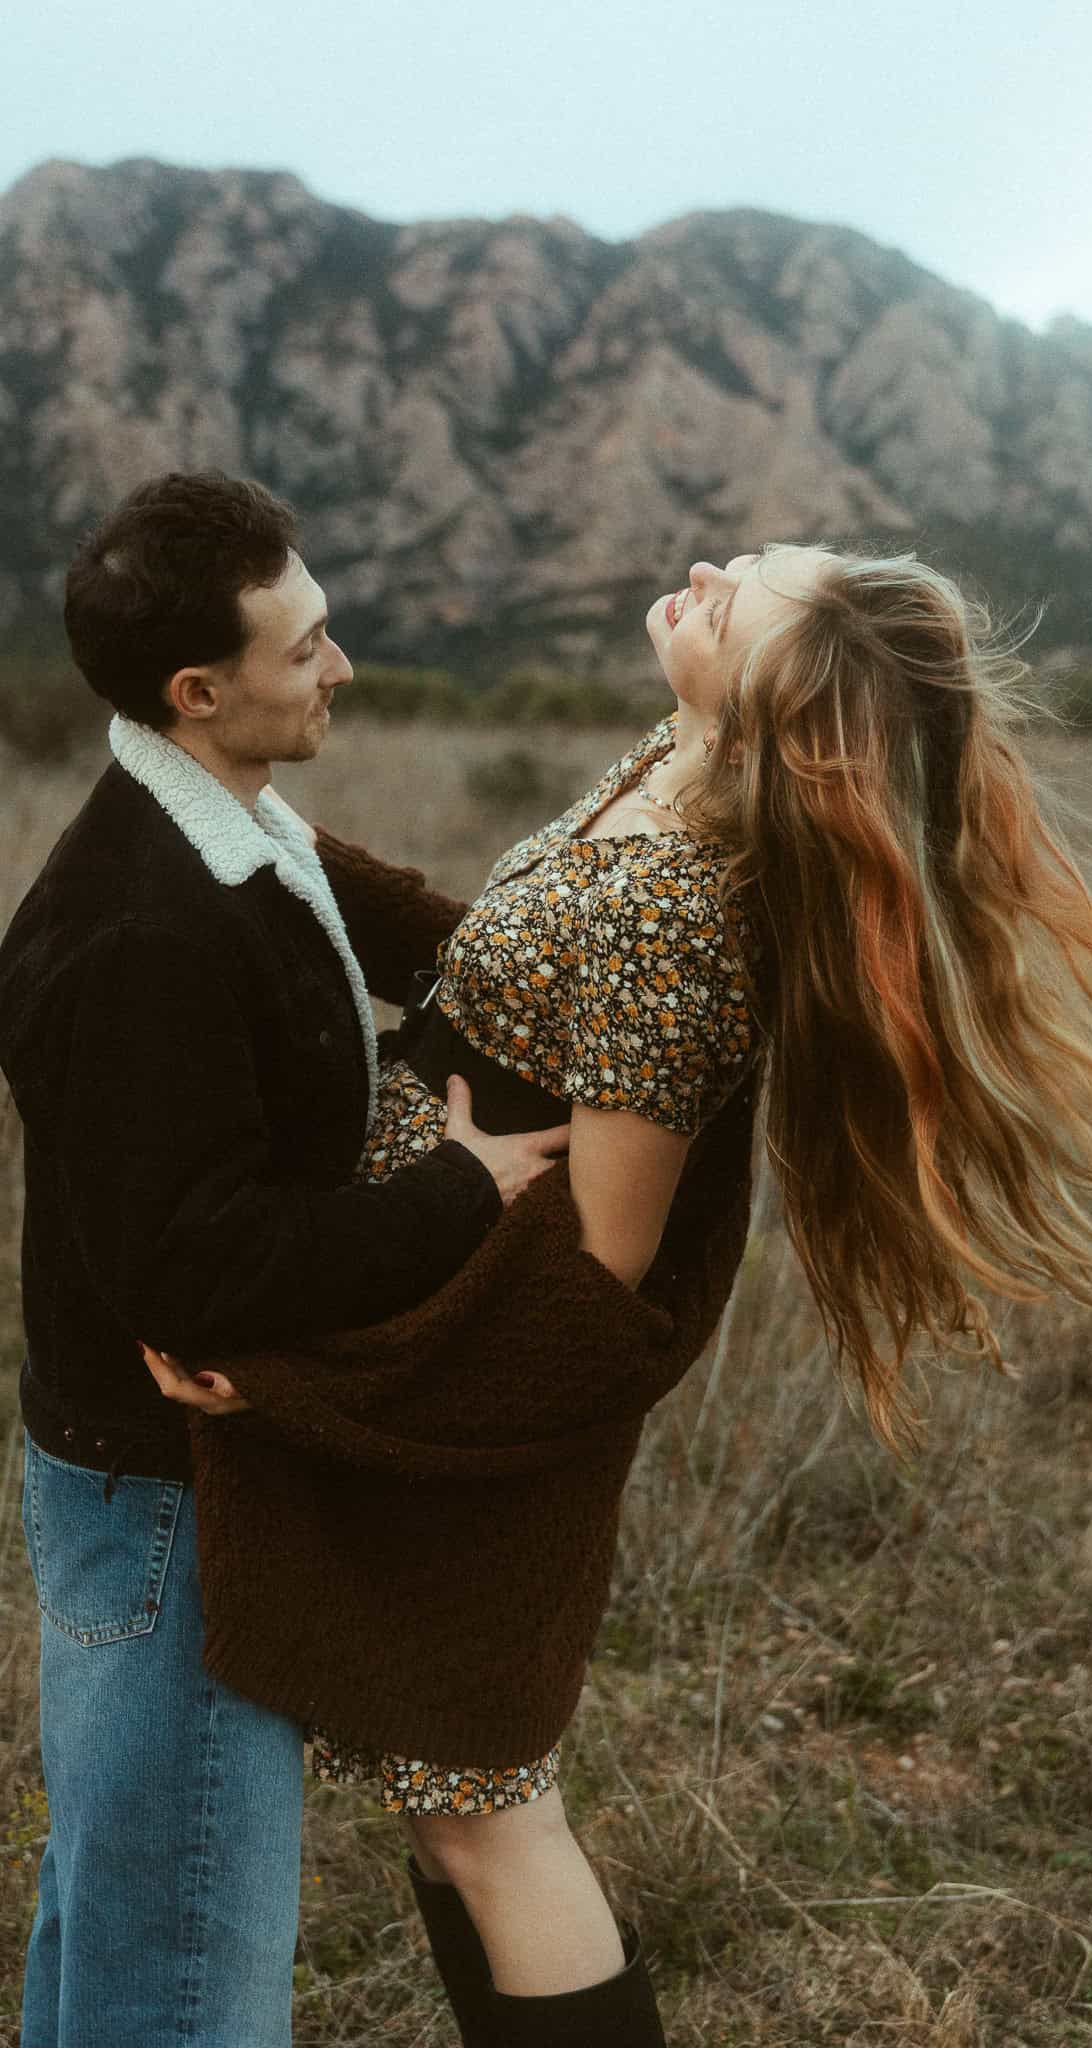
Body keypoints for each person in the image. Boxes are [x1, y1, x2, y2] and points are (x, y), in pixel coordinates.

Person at [144, 542, 1092, 2048]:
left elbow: (592, 1281)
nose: (702, 571)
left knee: (488, 1818)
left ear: (789, 713)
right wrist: (271, 841)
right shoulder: (678, 763)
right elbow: (501, 971)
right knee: (455, 1808)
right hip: (400, 1314)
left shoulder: (681, 911)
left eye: (738, 596)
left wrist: (307, 1377)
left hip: (466, 1396)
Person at [0, 470, 569, 2048]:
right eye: (305, 647)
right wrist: (461, 1191)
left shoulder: (235, 822)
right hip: (165, 1487)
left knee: (122, 1908)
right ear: (200, 690)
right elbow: (200, 1271)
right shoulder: (140, 929)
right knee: (179, 1961)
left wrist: (588, 957)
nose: (341, 666)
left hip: (180, 1470)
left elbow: (384, 934)